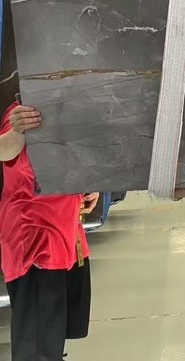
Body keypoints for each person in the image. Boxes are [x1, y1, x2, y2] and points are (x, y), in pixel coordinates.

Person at [0, 101, 98, 360]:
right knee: (36, 348)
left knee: (53, 336)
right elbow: (5, 150)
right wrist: (17, 131)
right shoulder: (23, 109)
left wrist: (89, 185)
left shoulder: (71, 104)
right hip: (36, 240)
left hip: (67, 236)